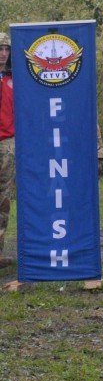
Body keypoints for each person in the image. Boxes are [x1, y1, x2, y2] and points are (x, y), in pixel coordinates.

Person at [0, 32, 12, 264]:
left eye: (6, 49)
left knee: (3, 199)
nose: (2, 54)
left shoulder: (15, 78)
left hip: (8, 143)